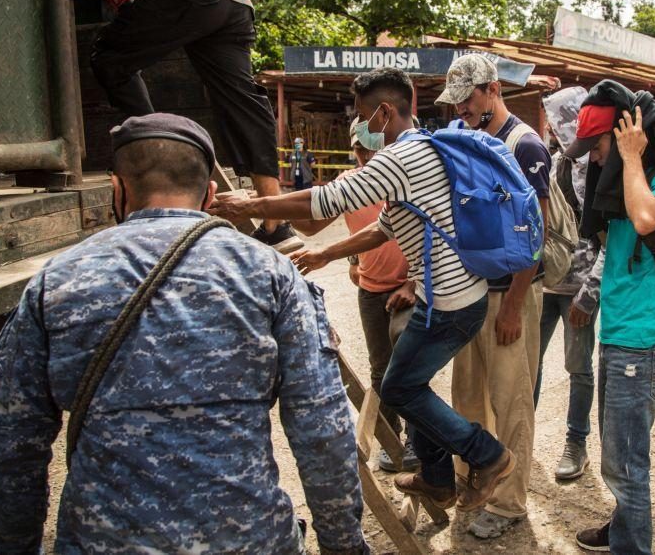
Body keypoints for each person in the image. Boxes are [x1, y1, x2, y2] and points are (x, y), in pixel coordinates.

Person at [0, 113, 366, 553]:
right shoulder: (270, 274)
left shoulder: (57, 280)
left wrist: (14, 544)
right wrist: (343, 545)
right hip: (247, 540)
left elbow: (10, 443)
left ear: (116, 190)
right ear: (211, 194)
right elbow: (321, 429)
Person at [210, 67, 516, 514]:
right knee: (408, 384)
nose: (361, 126)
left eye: (363, 116)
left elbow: (326, 199)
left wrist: (254, 203)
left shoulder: (398, 159)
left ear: (385, 112)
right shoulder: (421, 150)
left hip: (448, 303)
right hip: (454, 295)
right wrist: (327, 254)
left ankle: (487, 456)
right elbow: (385, 227)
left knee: (399, 389)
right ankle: (437, 480)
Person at [66, 0, 301, 253]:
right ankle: (276, 224)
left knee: (111, 58)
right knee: (242, 100)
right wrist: (149, 3)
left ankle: (160, 150)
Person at [568, 80, 655, 554]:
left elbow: (645, 221)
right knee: (616, 453)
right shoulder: (621, 185)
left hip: (643, 339)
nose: (594, 158)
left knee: (626, 463)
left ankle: (631, 546)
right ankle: (621, 529)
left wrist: (632, 156)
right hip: (619, 332)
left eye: (599, 146)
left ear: (625, 138)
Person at [435, 54, 551, 539]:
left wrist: (514, 306)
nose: (460, 109)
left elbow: (535, 233)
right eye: (455, 101)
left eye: (467, 99)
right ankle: (473, 478)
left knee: (511, 401)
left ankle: (508, 504)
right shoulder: (464, 139)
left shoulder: (525, 146)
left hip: (510, 296)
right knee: (467, 396)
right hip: (471, 294)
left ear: (492, 90)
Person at [290, 120, 419, 472]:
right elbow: (312, 224)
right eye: (359, 149)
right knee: (381, 368)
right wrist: (273, 212)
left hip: (411, 286)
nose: (362, 155)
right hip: (370, 289)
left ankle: (416, 441)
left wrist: (415, 283)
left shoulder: (406, 177)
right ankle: (390, 439)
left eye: (367, 148)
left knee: (408, 364)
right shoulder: (348, 185)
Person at [535, 87, 604, 482]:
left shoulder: (598, 166)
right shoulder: (553, 160)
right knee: (529, 362)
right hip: (544, 283)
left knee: (578, 367)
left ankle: (575, 443)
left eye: (561, 119)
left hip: (580, 288)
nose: (557, 128)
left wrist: (590, 292)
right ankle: (519, 435)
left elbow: (608, 239)